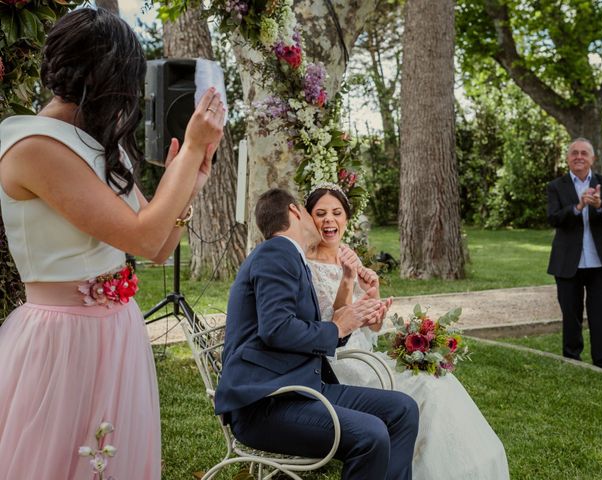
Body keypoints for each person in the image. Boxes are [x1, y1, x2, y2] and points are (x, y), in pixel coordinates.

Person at [0, 8, 224, 479]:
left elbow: (160, 246)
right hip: (62, 340)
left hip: (116, 331)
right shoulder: (34, 145)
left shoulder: (100, 142)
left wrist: (192, 183)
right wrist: (184, 166)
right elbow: (142, 236)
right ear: (103, 75)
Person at [305, 183, 510, 480]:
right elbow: (337, 322)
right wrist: (349, 282)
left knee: (438, 379)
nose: (329, 220)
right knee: (425, 390)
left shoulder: (348, 254)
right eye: (320, 213)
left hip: (366, 349)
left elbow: (371, 324)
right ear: (309, 218)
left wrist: (375, 302)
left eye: (336, 213)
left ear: (346, 218)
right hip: (343, 360)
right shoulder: (307, 263)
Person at [215, 188, 419, 480]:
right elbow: (277, 328)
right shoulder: (277, 251)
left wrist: (349, 320)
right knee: (371, 434)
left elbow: (301, 330)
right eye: (312, 213)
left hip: (299, 389)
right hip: (265, 403)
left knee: (403, 409)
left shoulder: (289, 256)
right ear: (295, 212)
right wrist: (336, 327)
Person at [547, 138, 602, 371]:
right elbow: (553, 218)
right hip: (567, 263)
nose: (578, 156)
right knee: (571, 316)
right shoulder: (556, 186)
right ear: (568, 158)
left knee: (601, 316)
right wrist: (577, 208)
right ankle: (572, 360)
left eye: (583, 153)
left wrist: (600, 205)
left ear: (592, 158)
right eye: (574, 153)